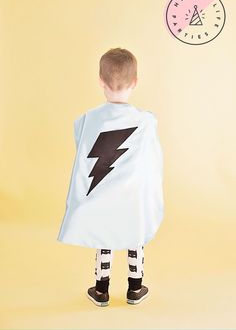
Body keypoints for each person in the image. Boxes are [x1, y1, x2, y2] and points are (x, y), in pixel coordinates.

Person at [57, 47, 164, 307]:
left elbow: (82, 150)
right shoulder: (146, 121)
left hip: (101, 192)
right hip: (133, 197)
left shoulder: (86, 120)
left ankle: (101, 290)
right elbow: (152, 158)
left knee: (103, 238)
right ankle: (135, 289)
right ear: (135, 82)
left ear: (101, 82)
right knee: (134, 237)